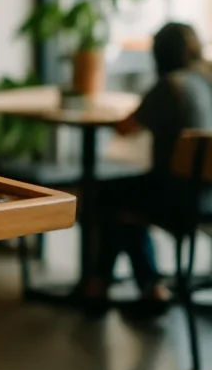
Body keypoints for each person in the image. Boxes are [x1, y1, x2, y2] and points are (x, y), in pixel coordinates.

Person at [83, 22, 212, 314]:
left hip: (178, 198)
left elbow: (125, 128)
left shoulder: (170, 87)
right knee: (127, 196)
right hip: (208, 196)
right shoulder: (206, 80)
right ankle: (145, 287)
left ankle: (106, 284)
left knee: (109, 195)